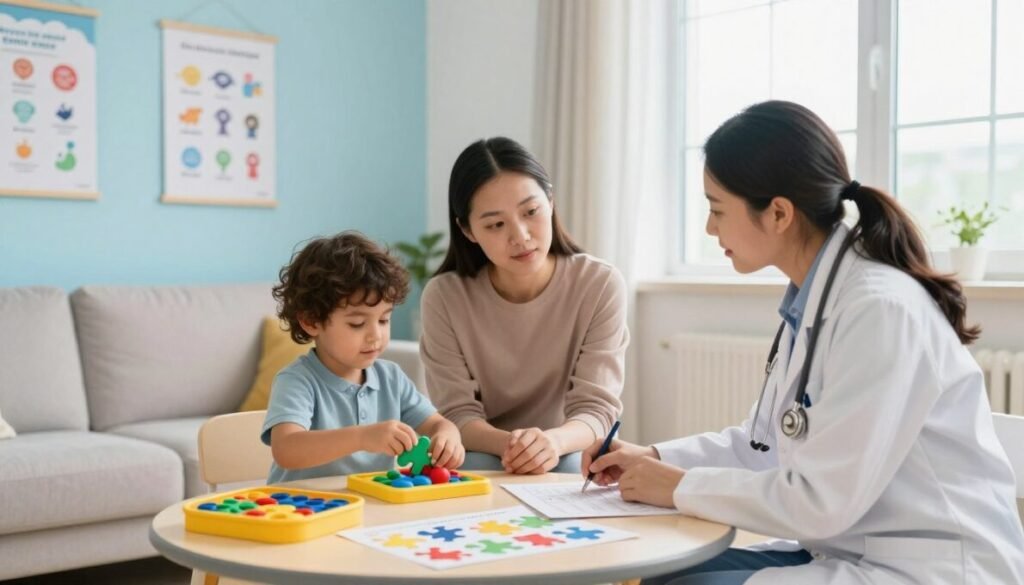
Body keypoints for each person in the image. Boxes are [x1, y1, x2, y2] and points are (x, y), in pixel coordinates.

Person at [582, 101, 1024, 584]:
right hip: (851, 548)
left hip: (930, 567)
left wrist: (681, 487)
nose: (710, 228)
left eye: (716, 209)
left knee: (681, 581)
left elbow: (822, 502)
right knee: (668, 570)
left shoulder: (879, 310)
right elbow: (762, 443)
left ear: (777, 213)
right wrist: (656, 458)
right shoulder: (816, 301)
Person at [420, 136, 628, 474]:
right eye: (495, 224)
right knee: (468, 467)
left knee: (574, 470)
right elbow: (457, 414)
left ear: (550, 200)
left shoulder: (599, 283)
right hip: (483, 446)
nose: (520, 236)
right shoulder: (444, 297)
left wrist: (553, 443)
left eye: (531, 212)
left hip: (568, 445)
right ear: (468, 230)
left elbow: (597, 409)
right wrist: (516, 446)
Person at [261, 231, 464, 484]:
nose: (375, 336)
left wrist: (448, 436)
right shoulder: (298, 380)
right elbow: (287, 450)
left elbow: (438, 424)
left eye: (384, 320)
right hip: (303, 509)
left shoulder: (390, 378)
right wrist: (362, 437)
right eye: (357, 324)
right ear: (311, 321)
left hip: (370, 509)